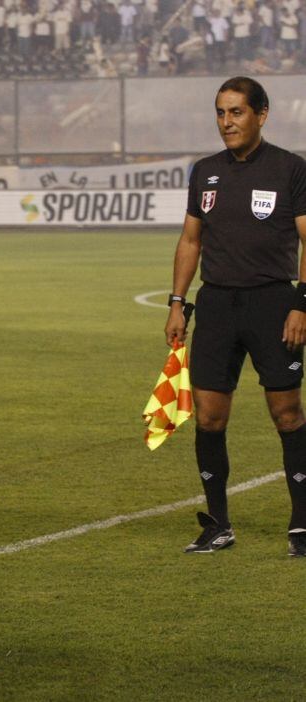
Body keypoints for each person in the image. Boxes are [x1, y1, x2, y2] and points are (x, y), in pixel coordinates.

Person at [167, 77, 306, 557]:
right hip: (217, 307)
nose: (227, 122)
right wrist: (177, 302)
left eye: (237, 112)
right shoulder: (205, 172)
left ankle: (302, 526)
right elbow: (191, 241)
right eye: (220, 113)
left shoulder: (290, 168)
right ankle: (217, 525)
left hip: (272, 305)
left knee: (287, 414)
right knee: (208, 417)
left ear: (262, 114)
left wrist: (300, 304)